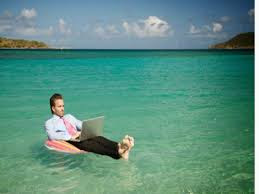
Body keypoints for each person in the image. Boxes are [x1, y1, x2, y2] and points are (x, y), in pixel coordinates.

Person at [44, 93, 134, 160]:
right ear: (53, 108)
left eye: (63, 106)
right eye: (59, 106)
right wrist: (70, 136)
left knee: (97, 137)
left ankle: (119, 146)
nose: (63, 108)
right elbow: (52, 136)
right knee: (89, 144)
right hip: (70, 140)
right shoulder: (49, 123)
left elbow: (80, 124)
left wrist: (89, 127)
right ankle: (119, 153)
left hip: (78, 136)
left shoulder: (69, 117)